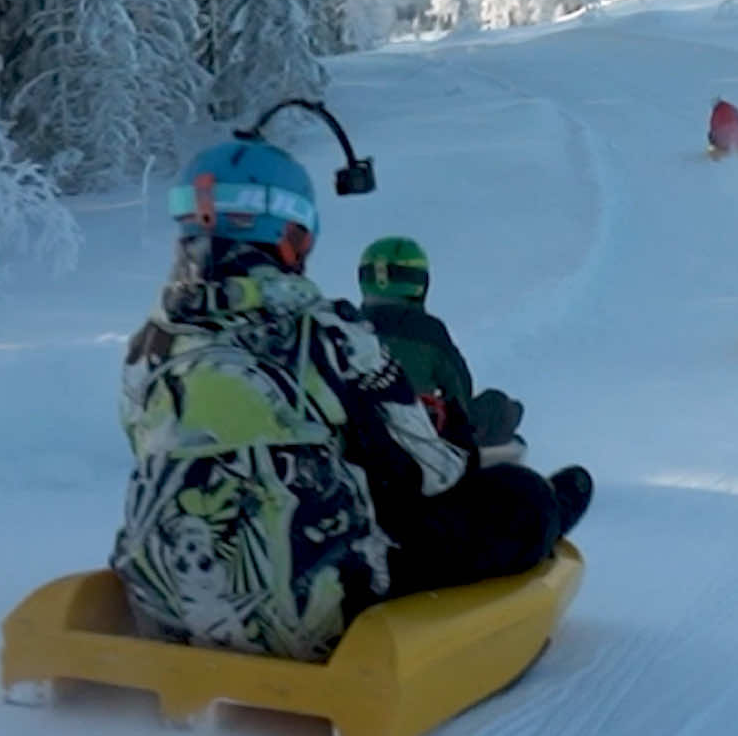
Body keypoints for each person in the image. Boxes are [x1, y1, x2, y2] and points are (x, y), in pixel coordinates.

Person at [110, 136, 592, 663]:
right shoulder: (329, 333)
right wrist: (451, 436)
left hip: (162, 598)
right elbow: (433, 473)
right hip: (313, 608)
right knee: (517, 495)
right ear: (292, 237)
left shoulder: (148, 345)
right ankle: (548, 509)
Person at [357, 236, 524, 454]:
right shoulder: (429, 332)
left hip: (362, 443)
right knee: (497, 405)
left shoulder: (349, 326)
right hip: (422, 446)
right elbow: (460, 390)